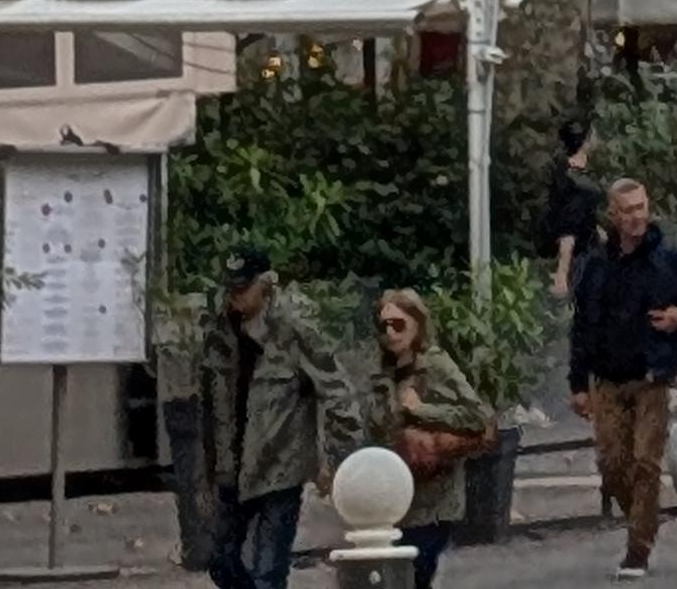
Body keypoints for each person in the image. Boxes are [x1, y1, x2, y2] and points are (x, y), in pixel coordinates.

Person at [566, 174, 677, 581]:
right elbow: (582, 330)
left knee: (647, 462)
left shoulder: (668, 259)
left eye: (640, 208)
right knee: (613, 465)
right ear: (612, 215)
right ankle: (644, 517)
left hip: (653, 377)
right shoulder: (594, 267)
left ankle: (637, 549)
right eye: (626, 210)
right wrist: (578, 385)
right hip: (608, 379)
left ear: (648, 207)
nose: (635, 217)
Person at [195, 250, 361, 589]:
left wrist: (339, 460)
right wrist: (208, 468)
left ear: (266, 283)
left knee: (268, 571)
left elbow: (337, 391)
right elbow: (209, 403)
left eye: (244, 288)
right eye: (231, 289)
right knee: (221, 562)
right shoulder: (219, 330)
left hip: (279, 466)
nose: (236, 297)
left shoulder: (294, 328)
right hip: (232, 464)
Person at [366, 290, 493, 589]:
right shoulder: (381, 372)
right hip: (394, 496)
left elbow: (477, 416)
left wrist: (422, 409)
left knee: (416, 573)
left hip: (434, 497)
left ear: (417, 323)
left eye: (398, 324)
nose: (390, 333)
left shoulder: (435, 364)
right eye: (383, 326)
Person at [541, 119, 605, 299]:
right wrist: (562, 273)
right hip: (581, 257)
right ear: (584, 141)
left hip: (589, 247)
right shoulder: (576, 183)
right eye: (592, 135)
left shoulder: (572, 173)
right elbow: (568, 228)